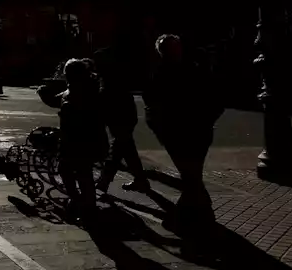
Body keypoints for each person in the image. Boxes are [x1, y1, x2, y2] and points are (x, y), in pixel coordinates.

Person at [143, 34, 222, 230]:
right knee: (192, 173)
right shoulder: (191, 70)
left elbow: (151, 105)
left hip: (181, 132)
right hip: (191, 131)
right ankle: (199, 212)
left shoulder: (163, 73)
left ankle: (190, 214)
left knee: (190, 174)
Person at [39, 58, 109, 221]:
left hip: (82, 142)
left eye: (67, 73)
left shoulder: (84, 92)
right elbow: (56, 100)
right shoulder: (78, 89)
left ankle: (87, 207)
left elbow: (85, 116)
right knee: (73, 172)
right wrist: (44, 92)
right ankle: (81, 202)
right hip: (77, 141)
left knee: (81, 174)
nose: (66, 76)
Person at [94, 48, 149, 193]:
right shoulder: (115, 76)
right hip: (125, 119)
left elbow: (106, 101)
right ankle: (140, 180)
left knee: (117, 151)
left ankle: (104, 183)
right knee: (127, 151)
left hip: (119, 120)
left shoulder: (109, 80)